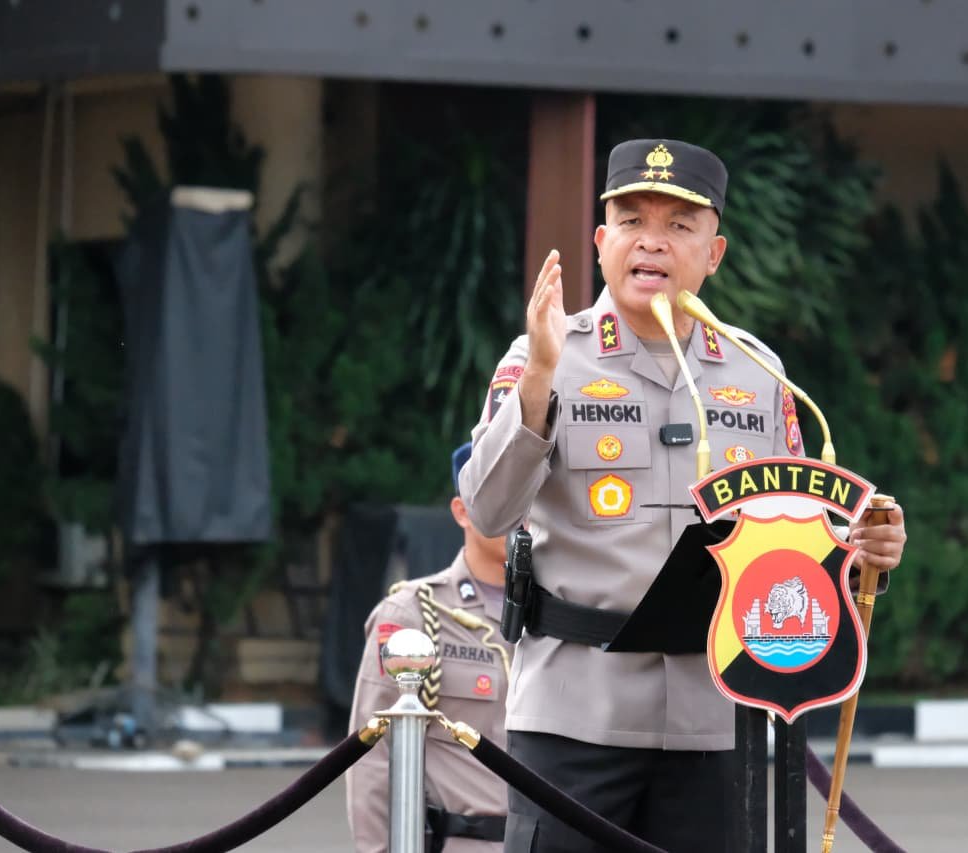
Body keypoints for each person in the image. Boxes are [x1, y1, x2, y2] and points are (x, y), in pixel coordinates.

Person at [460, 138, 908, 853]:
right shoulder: (545, 354)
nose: (652, 242)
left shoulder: (759, 373)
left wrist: (862, 548)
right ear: (601, 243)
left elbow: (799, 538)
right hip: (575, 715)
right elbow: (488, 510)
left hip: (717, 715)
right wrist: (541, 377)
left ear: (714, 253)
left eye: (678, 225)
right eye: (632, 221)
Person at [347, 442, 514, 853]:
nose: (515, 515)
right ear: (461, 511)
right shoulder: (415, 614)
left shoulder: (562, 614)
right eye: (498, 500)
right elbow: (372, 754)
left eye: (525, 499)